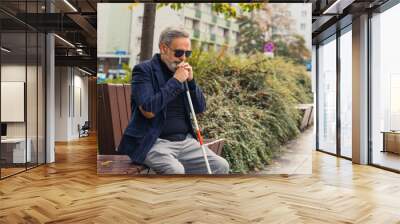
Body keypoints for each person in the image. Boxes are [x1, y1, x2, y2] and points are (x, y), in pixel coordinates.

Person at [118, 27, 229, 174]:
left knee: (221, 166)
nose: (183, 57)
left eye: (187, 53)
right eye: (179, 52)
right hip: (153, 142)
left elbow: (200, 108)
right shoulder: (144, 70)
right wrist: (176, 81)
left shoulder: (182, 74)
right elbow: (148, 109)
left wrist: (191, 82)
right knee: (175, 170)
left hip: (185, 142)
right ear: (164, 48)